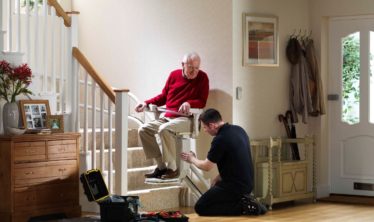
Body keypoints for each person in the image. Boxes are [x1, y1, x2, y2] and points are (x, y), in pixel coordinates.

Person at [135, 52, 209, 179]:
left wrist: (189, 103)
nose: (194, 71)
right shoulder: (173, 75)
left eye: (197, 68)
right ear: (183, 65)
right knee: (143, 130)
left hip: (188, 119)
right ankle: (161, 167)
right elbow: (163, 97)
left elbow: (202, 101)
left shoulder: (203, 78)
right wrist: (146, 102)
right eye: (191, 67)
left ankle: (172, 168)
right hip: (169, 117)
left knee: (165, 129)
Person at [180, 108, 262, 216]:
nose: (204, 130)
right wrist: (219, 177)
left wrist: (191, 159)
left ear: (212, 125)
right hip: (247, 184)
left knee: (201, 207)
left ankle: (244, 207)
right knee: (215, 190)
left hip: (235, 186)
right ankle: (245, 201)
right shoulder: (239, 130)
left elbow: (207, 166)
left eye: (205, 127)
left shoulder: (220, 139)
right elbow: (236, 161)